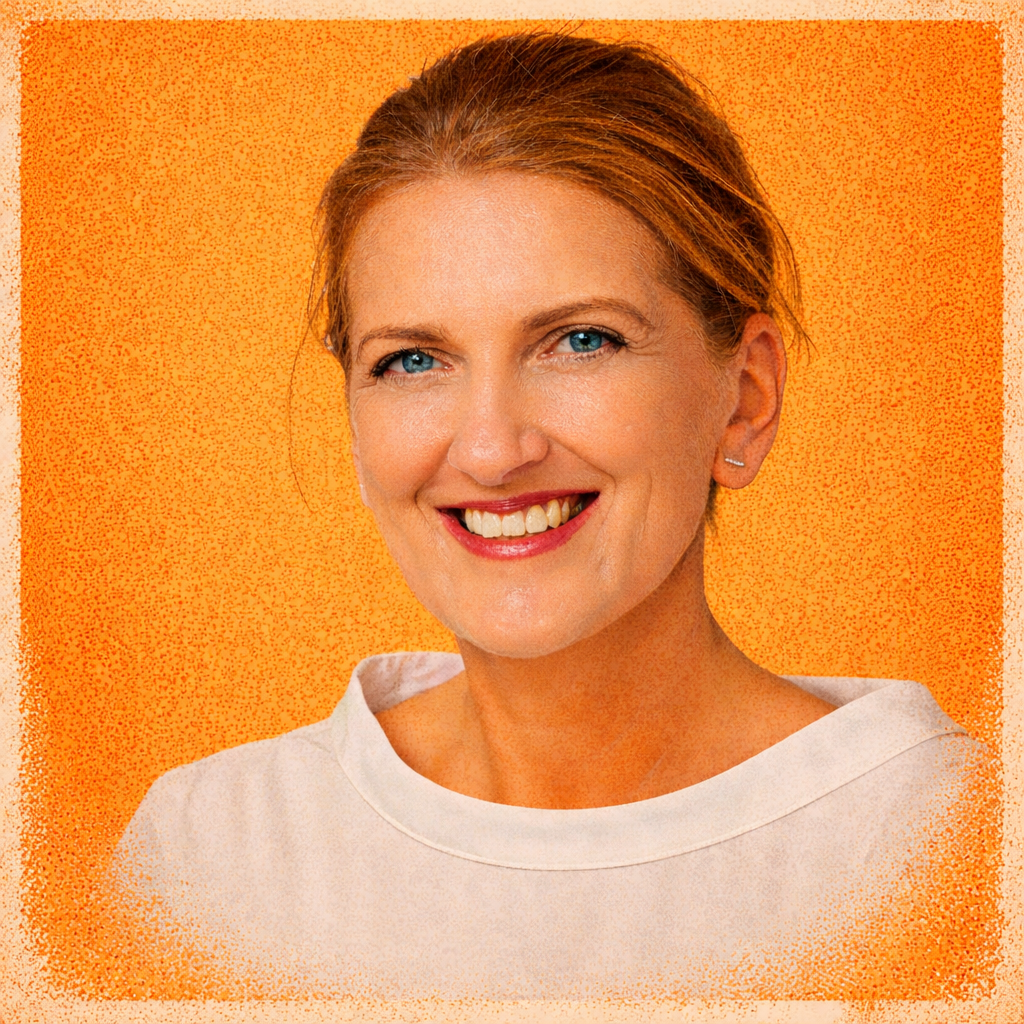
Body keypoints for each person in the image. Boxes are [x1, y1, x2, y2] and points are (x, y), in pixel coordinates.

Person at [110, 32, 992, 999]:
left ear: (745, 398)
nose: (492, 450)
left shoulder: (957, 850)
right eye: (413, 360)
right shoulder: (206, 856)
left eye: (580, 341)